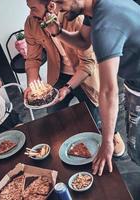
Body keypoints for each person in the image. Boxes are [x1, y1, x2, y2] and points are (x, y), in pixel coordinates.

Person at [44, 0, 140, 176]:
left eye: (59, 1)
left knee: (137, 148)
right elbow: (83, 41)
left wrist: (107, 142)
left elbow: (108, 91)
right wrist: (57, 32)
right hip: (133, 81)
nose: (57, 9)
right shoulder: (96, 8)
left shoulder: (104, 25)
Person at [23, 0, 101, 124]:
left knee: (93, 119)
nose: (31, 13)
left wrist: (67, 88)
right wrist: (33, 86)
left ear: (50, 5)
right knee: (54, 117)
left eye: (33, 8)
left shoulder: (76, 19)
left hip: (84, 76)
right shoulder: (31, 23)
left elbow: (88, 63)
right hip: (58, 75)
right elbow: (32, 59)